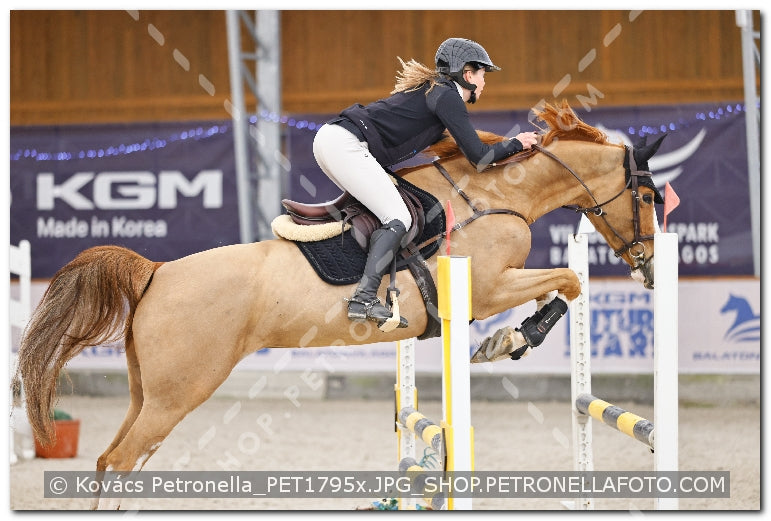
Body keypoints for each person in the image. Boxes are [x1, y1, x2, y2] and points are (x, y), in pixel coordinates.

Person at [313, 37, 539, 330]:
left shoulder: (436, 94)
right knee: (398, 218)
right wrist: (516, 144)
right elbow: (480, 158)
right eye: (483, 75)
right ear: (467, 74)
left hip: (334, 141)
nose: (484, 83)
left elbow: (463, 145)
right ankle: (364, 298)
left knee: (386, 209)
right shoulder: (447, 96)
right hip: (345, 145)